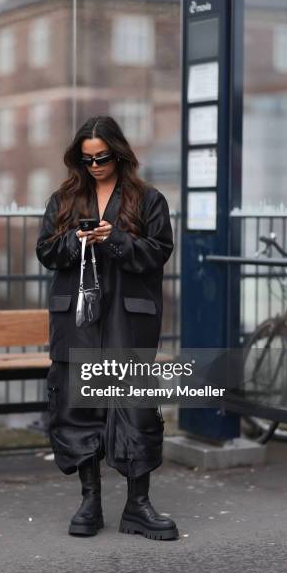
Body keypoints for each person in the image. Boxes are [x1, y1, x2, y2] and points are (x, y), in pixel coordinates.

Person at [36, 115, 179, 541]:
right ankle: (90, 501)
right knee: (78, 408)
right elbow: (46, 251)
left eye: (102, 158)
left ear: (119, 154)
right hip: (78, 320)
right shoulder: (63, 199)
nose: (95, 166)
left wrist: (114, 238)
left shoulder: (147, 199)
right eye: (87, 159)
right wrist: (78, 240)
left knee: (133, 407)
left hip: (126, 320)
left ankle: (138, 506)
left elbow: (158, 253)